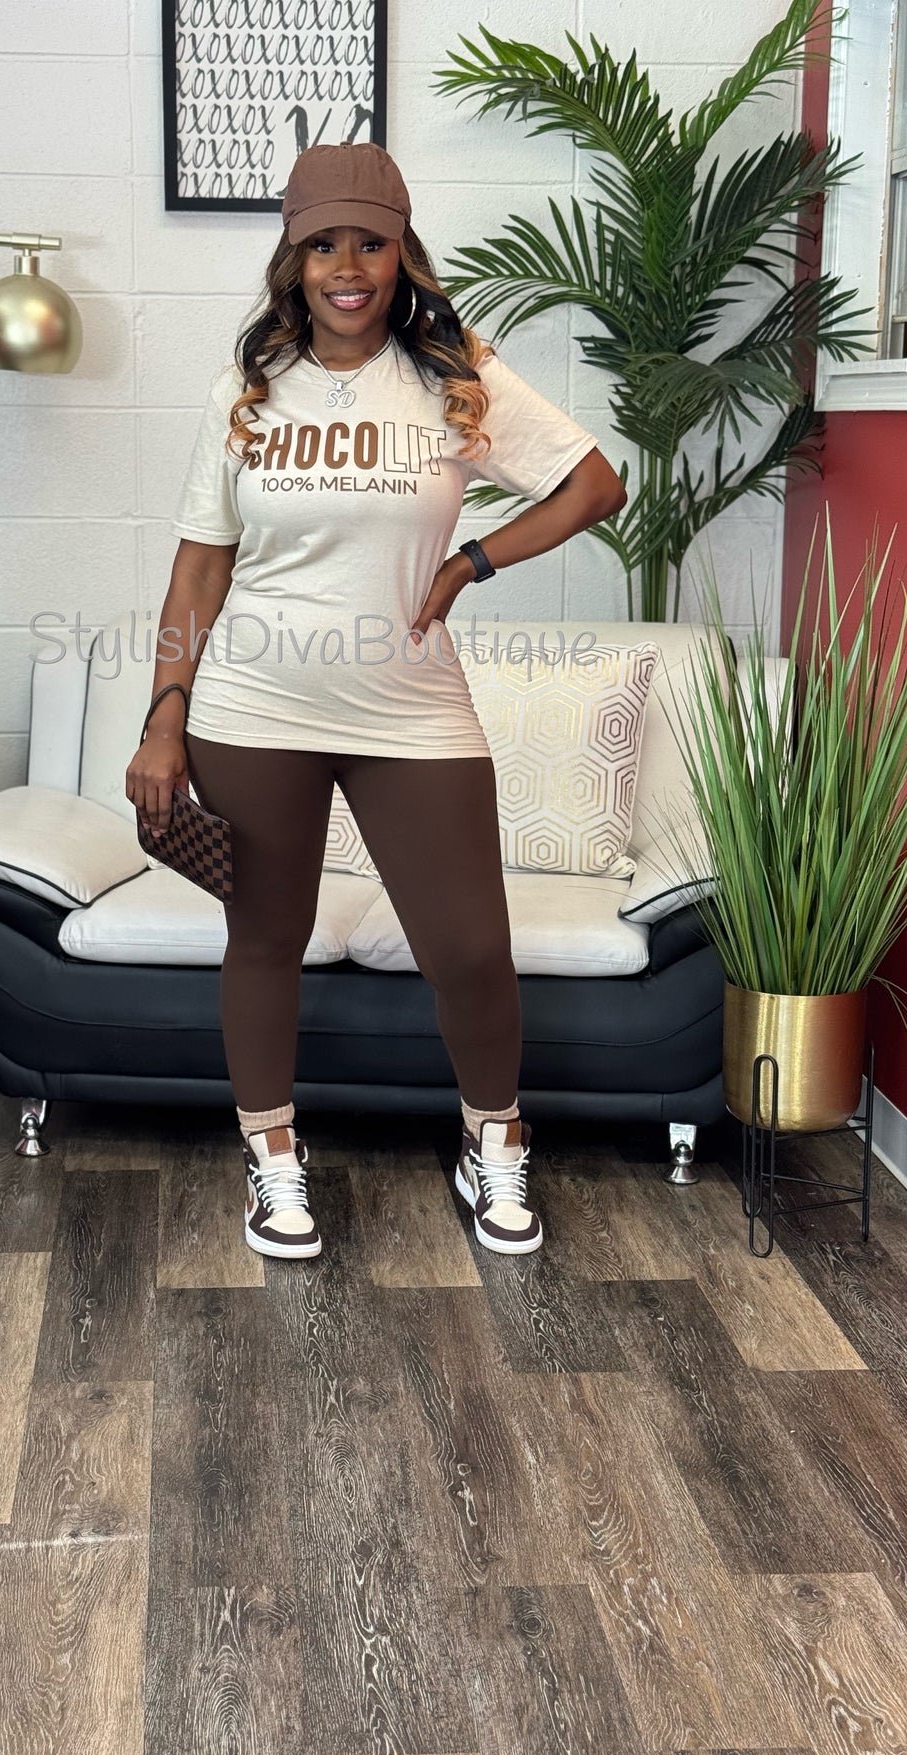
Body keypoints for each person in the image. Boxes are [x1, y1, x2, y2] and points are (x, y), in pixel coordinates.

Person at [126, 141, 626, 1262]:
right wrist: (165, 715)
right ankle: (273, 1157)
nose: (347, 268)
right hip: (253, 707)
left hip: (411, 707)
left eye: (370, 243)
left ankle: (493, 1140)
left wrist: (471, 563)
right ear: (293, 260)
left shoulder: (457, 377)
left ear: (403, 253)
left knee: (471, 949)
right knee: (266, 938)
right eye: (323, 245)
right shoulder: (247, 392)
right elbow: (199, 568)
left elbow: (595, 485)